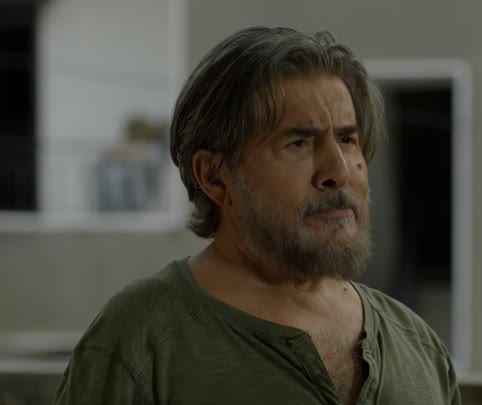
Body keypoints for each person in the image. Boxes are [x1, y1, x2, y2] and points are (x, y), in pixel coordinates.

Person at [54, 27, 460, 405]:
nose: (338, 171)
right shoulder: (142, 342)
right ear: (214, 177)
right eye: (299, 143)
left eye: (347, 139)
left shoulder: (418, 346)